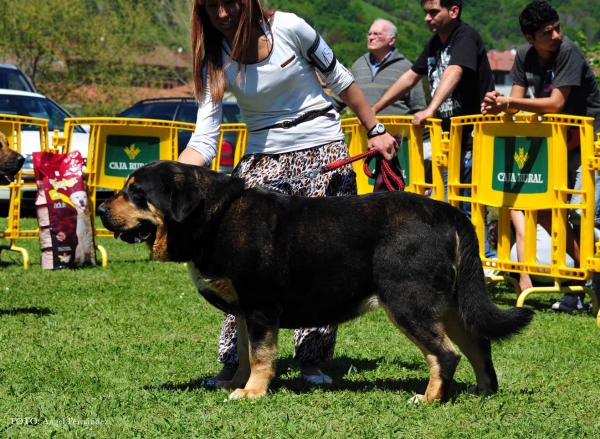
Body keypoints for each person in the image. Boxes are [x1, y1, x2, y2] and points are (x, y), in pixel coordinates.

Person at [178, 0, 398, 387]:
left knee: (322, 259)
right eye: (211, 7)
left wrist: (375, 129)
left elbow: (341, 78)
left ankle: (311, 361)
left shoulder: (290, 28)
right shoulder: (212, 56)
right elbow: (204, 138)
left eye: (229, 3)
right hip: (261, 159)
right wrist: (173, 179)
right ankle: (236, 363)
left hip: (322, 145)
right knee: (239, 268)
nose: (223, 14)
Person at [481, 0, 600, 313]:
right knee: (548, 212)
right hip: (556, 142)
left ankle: (589, 281)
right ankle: (579, 284)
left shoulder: (569, 52)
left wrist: (507, 100)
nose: (557, 35)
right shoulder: (523, 55)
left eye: (558, 28)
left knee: (581, 214)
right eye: (548, 32)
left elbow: (556, 103)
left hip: (588, 141)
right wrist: (498, 104)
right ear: (529, 37)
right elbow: (516, 103)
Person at [371, 0, 497, 259]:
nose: (427, 18)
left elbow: (455, 70)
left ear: (454, 10)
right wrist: (374, 108)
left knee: (469, 205)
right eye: (425, 13)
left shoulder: (466, 37)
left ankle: (480, 261)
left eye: (433, 12)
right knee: (451, 203)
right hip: (452, 140)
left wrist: (430, 109)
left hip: (474, 137)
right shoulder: (435, 44)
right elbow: (409, 77)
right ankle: (461, 261)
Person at [331, 18, 427, 117]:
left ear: (392, 40)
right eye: (369, 34)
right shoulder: (358, 65)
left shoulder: (406, 68)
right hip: (363, 131)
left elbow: (418, 108)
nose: (371, 37)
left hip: (397, 131)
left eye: (377, 34)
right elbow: (338, 99)